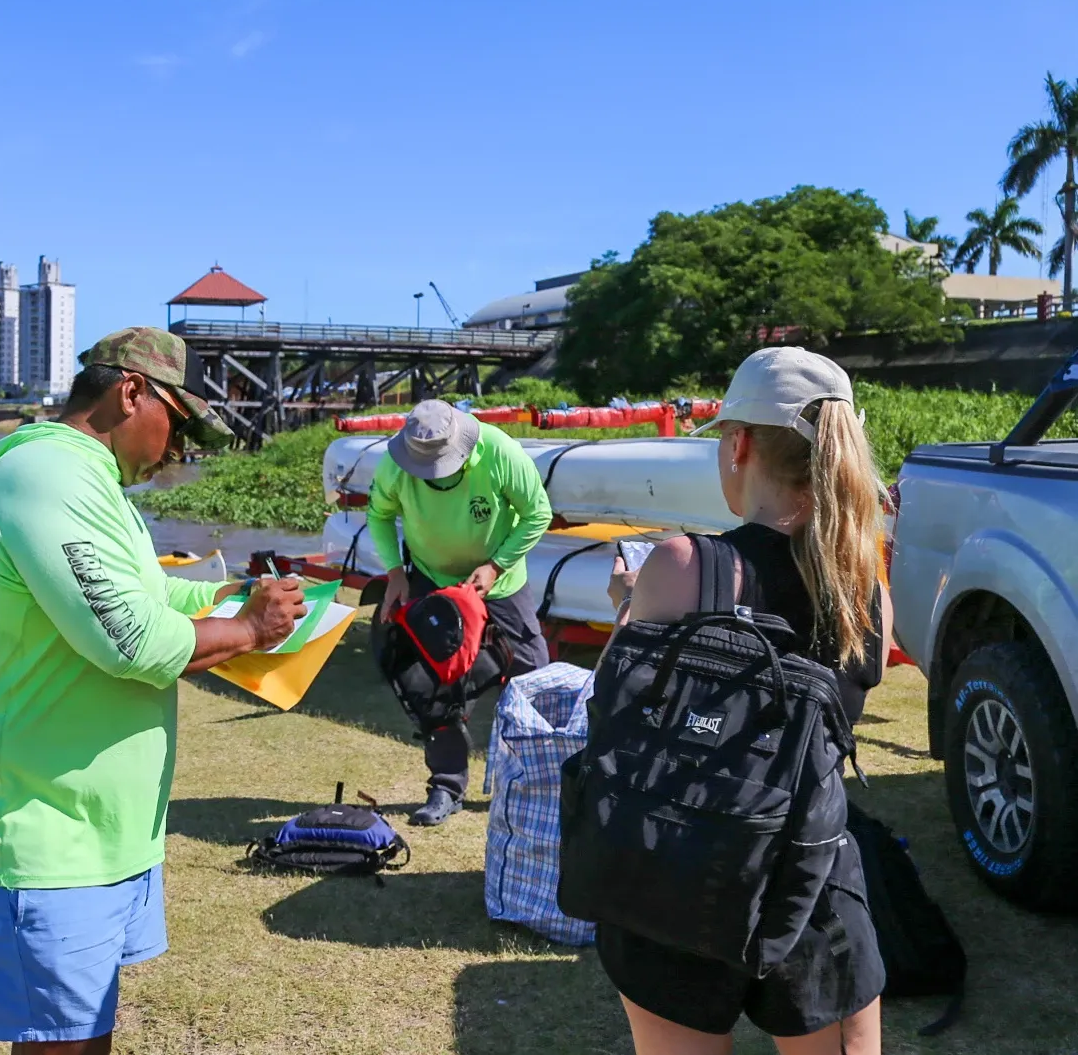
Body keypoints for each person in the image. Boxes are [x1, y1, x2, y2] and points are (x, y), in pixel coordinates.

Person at [0, 326, 306, 1055]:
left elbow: (147, 593)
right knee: (59, 1042)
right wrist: (248, 630)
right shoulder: (48, 476)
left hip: (99, 823)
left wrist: (229, 596)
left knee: (86, 1027)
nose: (182, 444)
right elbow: (131, 638)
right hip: (44, 821)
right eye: (181, 418)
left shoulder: (91, 480)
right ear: (130, 391)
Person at [601, 347, 891, 1055]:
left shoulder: (681, 566)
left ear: (737, 444)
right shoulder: (863, 587)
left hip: (678, 869)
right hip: (811, 877)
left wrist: (626, 608)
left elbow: (611, 708)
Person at [365, 398, 553, 826]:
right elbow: (378, 516)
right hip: (431, 579)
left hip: (499, 581)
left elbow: (537, 513)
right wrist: (395, 573)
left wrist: (495, 565)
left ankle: (542, 782)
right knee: (431, 684)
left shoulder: (501, 452)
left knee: (535, 675)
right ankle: (447, 785)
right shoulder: (394, 466)